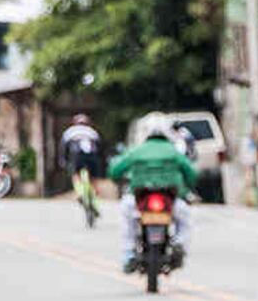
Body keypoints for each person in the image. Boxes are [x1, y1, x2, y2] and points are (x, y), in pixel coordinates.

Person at [107, 118, 196, 272]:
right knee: (185, 218)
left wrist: (118, 180)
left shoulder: (137, 151)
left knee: (127, 217)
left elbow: (115, 170)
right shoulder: (173, 151)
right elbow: (191, 173)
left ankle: (129, 254)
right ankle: (179, 245)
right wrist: (188, 187)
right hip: (170, 200)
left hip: (139, 199)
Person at [60, 113, 103, 212]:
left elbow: (63, 149)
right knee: (93, 177)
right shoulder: (92, 132)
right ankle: (95, 192)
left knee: (75, 175)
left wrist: (64, 161)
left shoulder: (69, 132)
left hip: (76, 156)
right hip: (92, 156)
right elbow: (100, 148)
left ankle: (80, 194)